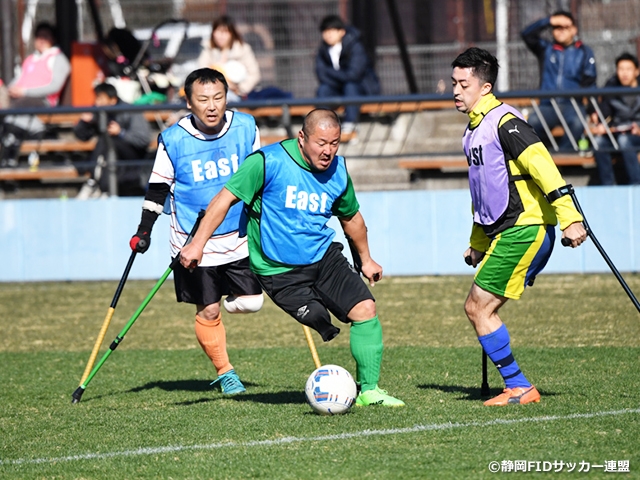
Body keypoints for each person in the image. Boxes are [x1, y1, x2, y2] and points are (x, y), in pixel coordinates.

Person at [178, 108, 405, 408]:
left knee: (365, 308)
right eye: (321, 143)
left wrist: (367, 259)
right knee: (319, 319)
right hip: (278, 270)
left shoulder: (338, 170)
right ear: (302, 138)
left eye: (334, 143)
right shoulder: (266, 162)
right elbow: (223, 200)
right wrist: (197, 245)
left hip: (324, 257)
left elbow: (352, 218)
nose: (328, 151)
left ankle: (370, 391)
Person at [451, 47, 587, 406]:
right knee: (479, 307)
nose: (455, 90)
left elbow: (544, 166)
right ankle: (517, 385)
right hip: (507, 232)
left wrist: (570, 218)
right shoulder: (472, 132)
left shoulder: (505, 121)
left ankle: (519, 387)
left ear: (485, 87)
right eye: (454, 82)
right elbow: (482, 193)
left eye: (463, 83)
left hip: (525, 229)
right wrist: (478, 242)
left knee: (478, 308)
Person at [129, 68, 264, 394]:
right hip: (193, 243)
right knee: (209, 309)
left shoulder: (245, 127)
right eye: (203, 99)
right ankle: (225, 371)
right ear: (189, 102)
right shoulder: (174, 139)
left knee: (252, 302)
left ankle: (223, 302)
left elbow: (260, 172)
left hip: (238, 236)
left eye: (218, 97)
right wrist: (143, 231)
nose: (212, 105)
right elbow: (158, 189)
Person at [521, 11, 597, 151]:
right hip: (547, 105)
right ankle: (543, 158)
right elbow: (526, 34)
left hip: (572, 105)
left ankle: (560, 156)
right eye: (557, 27)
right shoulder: (546, 49)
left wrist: (593, 109)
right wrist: (549, 20)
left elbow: (590, 82)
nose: (560, 31)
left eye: (565, 27)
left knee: (577, 123)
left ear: (574, 29)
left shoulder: (584, 52)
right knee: (531, 124)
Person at [1, 22, 71, 168]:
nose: (41, 40)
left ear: (53, 38)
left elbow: (54, 86)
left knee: (9, 118)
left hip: (42, 102)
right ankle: (11, 158)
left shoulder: (58, 59)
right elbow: (17, 81)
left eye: (45, 36)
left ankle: (37, 133)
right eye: (38, 36)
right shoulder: (30, 59)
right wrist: (10, 90)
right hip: (20, 102)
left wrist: (26, 91)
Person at [74, 82, 152, 198]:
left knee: (108, 141)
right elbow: (82, 136)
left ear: (112, 100)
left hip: (134, 154)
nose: (97, 102)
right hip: (108, 155)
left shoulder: (130, 111)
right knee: (106, 142)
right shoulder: (98, 111)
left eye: (100, 99)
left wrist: (121, 133)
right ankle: (100, 186)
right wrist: (84, 123)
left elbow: (143, 139)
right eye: (96, 98)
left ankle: (94, 183)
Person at [315, 15, 380, 134]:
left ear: (341, 32)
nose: (328, 34)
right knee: (323, 89)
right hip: (337, 87)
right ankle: (322, 124)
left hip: (362, 88)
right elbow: (320, 74)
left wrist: (331, 73)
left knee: (350, 86)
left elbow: (354, 75)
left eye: (332, 31)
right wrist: (340, 76)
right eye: (325, 31)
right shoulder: (323, 50)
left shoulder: (355, 46)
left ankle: (350, 123)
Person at [589, 52, 640, 185]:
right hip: (617, 132)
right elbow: (605, 112)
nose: (624, 73)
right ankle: (607, 185)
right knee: (598, 142)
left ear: (636, 71)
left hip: (636, 135)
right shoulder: (611, 87)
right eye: (621, 69)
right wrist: (600, 123)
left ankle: (636, 184)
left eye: (628, 69)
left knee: (624, 141)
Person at [197, 16, 261, 103]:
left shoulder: (243, 49)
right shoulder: (208, 49)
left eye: (225, 32)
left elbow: (254, 74)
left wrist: (239, 90)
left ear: (232, 34)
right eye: (218, 31)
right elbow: (201, 71)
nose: (221, 36)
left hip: (239, 96)